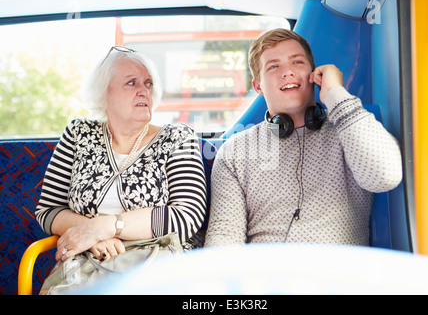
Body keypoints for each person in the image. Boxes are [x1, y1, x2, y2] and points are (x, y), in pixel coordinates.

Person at [204, 29, 402, 246]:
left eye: (297, 62)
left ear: (313, 74)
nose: (287, 72)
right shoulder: (235, 152)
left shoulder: (350, 129)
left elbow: (386, 175)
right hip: (264, 276)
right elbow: (223, 240)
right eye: (274, 66)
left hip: (339, 275)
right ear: (258, 86)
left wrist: (335, 92)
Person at [35, 46, 207, 262]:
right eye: (131, 82)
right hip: (89, 260)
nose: (144, 90)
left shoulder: (179, 137)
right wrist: (94, 236)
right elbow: (48, 210)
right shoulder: (78, 133)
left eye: (149, 83)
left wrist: (109, 226)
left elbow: (188, 215)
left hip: (159, 262)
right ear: (104, 92)